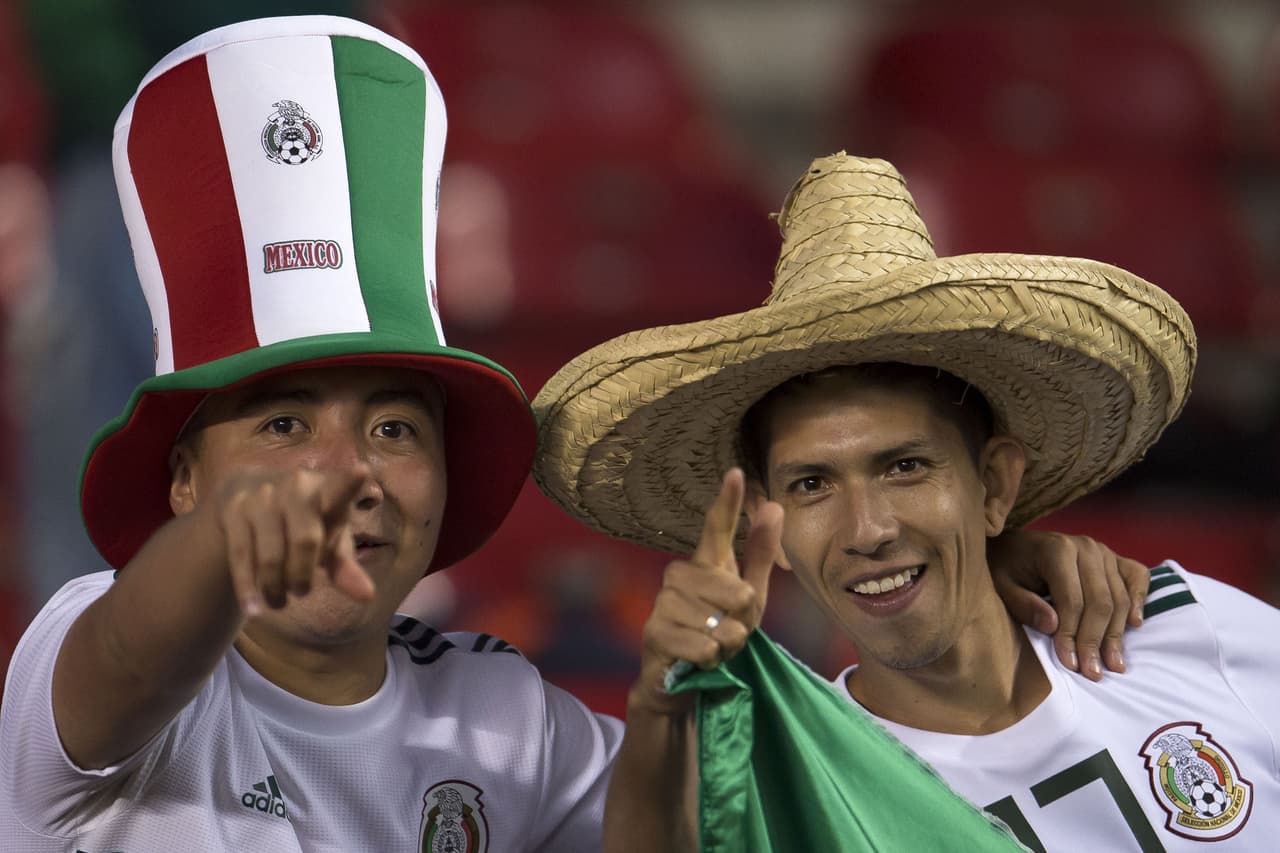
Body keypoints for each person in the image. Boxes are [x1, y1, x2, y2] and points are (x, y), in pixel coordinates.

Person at [0, 19, 1154, 850]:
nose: (342, 470)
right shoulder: (80, 658)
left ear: (446, 482)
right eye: (283, 423)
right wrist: (227, 548)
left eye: (394, 425)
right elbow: (133, 653)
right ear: (187, 484)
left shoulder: (503, 715)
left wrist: (981, 593)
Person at [530, 154, 1279, 850]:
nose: (869, 529)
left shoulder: (1192, 631)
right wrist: (661, 706)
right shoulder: (784, 787)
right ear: (770, 527)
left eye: (906, 466)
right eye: (812, 484)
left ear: (993, 485)